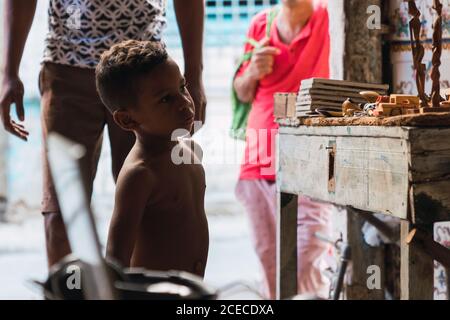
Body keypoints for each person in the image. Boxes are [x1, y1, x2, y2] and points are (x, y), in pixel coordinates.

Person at [0, 0, 206, 268]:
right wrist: (9, 72)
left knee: (158, 205)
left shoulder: (183, 139)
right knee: (62, 215)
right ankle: (73, 292)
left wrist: (193, 74)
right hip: (68, 63)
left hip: (146, 75)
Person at [233, 0, 333, 299]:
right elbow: (242, 91)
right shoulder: (261, 23)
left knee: (306, 259)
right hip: (258, 160)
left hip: (312, 162)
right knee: (270, 263)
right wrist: (252, 72)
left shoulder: (329, 17)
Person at [96, 40, 208, 275]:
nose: (185, 103)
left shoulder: (187, 153)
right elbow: (116, 258)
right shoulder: (140, 174)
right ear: (128, 120)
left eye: (182, 87)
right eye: (166, 99)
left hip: (190, 290)